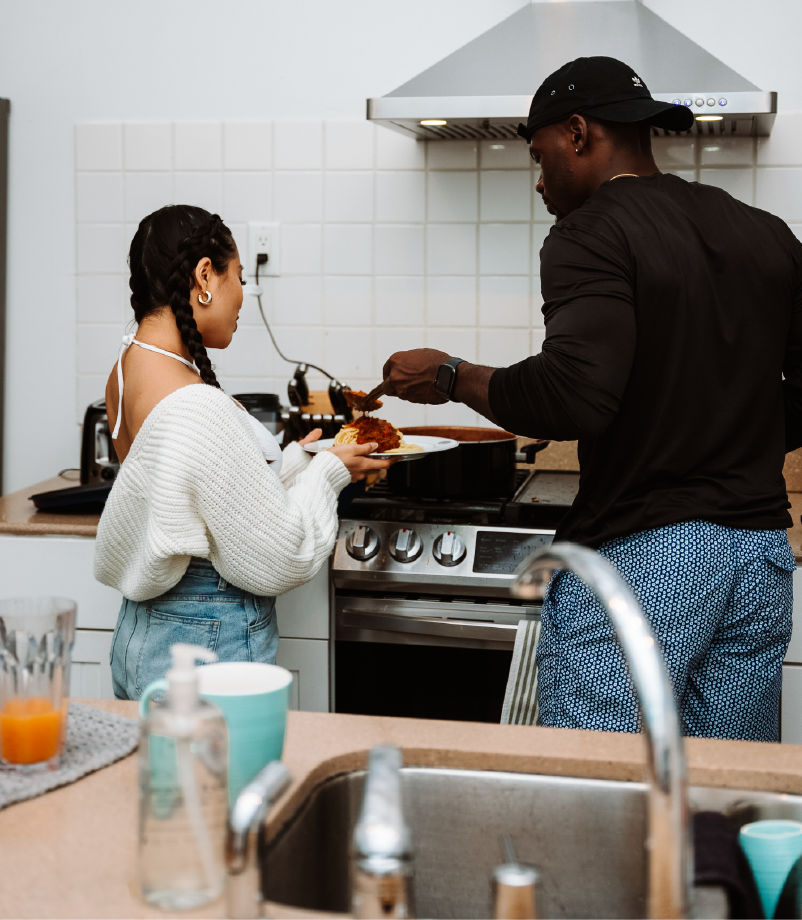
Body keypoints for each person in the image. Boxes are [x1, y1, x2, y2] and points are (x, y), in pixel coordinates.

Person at [381, 55, 801, 742]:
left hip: (647, 557)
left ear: (578, 133)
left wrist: (451, 375)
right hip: (757, 561)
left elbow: (572, 394)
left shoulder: (591, 230)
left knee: (596, 800)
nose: (540, 181)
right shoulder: (767, 234)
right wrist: (728, 431)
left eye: (541, 156)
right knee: (723, 805)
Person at [94, 204, 391, 700]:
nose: (242, 297)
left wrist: (298, 462)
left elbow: (195, 502)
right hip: (204, 639)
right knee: (221, 781)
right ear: (205, 276)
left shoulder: (125, 371)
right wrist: (329, 475)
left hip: (143, 633)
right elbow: (281, 555)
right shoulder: (195, 404)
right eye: (240, 277)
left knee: (163, 779)